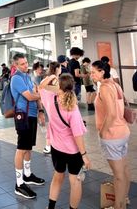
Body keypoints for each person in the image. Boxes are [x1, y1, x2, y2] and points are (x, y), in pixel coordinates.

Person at [39, 73, 91, 209]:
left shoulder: (50, 99)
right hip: (73, 151)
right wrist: (84, 155)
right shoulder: (72, 107)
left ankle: (50, 207)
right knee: (75, 182)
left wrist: (51, 76)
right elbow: (77, 134)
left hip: (56, 148)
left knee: (57, 177)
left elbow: (41, 86)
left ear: (58, 87)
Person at [91, 60, 130, 209]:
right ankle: (124, 199)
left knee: (118, 174)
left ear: (102, 72)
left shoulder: (105, 88)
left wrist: (102, 131)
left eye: (94, 72)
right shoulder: (115, 84)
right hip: (122, 132)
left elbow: (112, 114)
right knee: (124, 170)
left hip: (112, 136)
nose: (91, 75)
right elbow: (124, 104)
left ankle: (118, 206)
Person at [10, 53, 45, 199]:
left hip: (31, 115)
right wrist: (42, 94)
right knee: (21, 148)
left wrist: (41, 110)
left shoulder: (27, 77)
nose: (26, 66)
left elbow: (35, 93)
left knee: (29, 147)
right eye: (22, 64)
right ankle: (19, 183)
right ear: (16, 66)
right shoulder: (16, 78)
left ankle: (28, 174)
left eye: (26, 63)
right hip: (22, 116)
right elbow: (30, 96)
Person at [42, 62, 62, 154]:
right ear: (57, 68)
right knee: (57, 126)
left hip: (49, 106)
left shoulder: (46, 79)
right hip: (55, 107)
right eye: (60, 67)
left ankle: (48, 146)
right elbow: (59, 92)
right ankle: (53, 146)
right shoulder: (54, 79)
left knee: (52, 125)